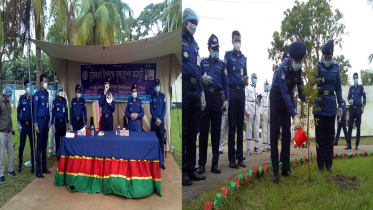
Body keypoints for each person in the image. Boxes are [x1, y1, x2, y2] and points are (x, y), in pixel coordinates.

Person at [270, 42, 307, 183]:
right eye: (296, 61)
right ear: (290, 58)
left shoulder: (299, 70)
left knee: (286, 134)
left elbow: (300, 88)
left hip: (286, 101)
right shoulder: (282, 69)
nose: (298, 63)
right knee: (274, 134)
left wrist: (306, 97)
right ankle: (275, 171)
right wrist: (294, 114)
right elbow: (285, 92)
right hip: (276, 98)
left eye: (300, 61)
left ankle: (286, 169)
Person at [197, 34, 229, 175]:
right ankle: (202, 164)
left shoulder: (222, 65)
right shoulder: (203, 63)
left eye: (218, 48)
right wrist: (201, 82)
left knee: (216, 133)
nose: (216, 51)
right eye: (214, 48)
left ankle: (214, 163)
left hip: (217, 99)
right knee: (203, 133)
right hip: (205, 99)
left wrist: (227, 100)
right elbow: (197, 79)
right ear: (209, 48)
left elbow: (226, 84)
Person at [181, 8, 206, 186]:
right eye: (192, 23)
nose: (194, 27)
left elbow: (197, 69)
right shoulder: (178, 40)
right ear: (185, 21)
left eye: (196, 24)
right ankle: (182, 171)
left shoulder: (195, 45)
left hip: (195, 90)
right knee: (184, 132)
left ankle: (191, 168)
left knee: (193, 133)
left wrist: (202, 91)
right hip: (183, 87)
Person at [313, 40, 343, 173]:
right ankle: (320, 165)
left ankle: (328, 164)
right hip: (319, 106)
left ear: (332, 56)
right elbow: (312, 81)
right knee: (320, 136)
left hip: (331, 106)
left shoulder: (336, 68)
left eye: (329, 58)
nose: (327, 60)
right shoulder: (318, 67)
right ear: (323, 57)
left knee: (330, 136)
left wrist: (341, 104)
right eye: (325, 58)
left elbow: (339, 88)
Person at [225, 30, 249, 169]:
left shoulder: (244, 58)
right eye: (236, 40)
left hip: (241, 93)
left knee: (241, 127)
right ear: (232, 41)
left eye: (239, 40)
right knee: (232, 126)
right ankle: (232, 159)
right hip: (232, 91)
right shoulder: (228, 56)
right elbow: (225, 75)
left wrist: (245, 80)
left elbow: (245, 74)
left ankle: (240, 157)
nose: (238, 43)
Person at [34, 74, 52, 178]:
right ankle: (38, 170)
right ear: (41, 82)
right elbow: (35, 110)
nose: (46, 83)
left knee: (44, 146)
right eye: (44, 81)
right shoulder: (37, 94)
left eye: (46, 81)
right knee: (39, 147)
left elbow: (47, 108)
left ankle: (44, 167)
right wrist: (35, 124)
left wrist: (49, 120)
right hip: (40, 122)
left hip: (46, 121)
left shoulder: (47, 94)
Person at [17, 80, 35, 173]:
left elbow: (34, 112)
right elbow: (18, 111)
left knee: (32, 146)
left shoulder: (33, 98)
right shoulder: (21, 98)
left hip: (31, 125)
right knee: (21, 146)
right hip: (23, 125)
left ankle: (33, 165)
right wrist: (18, 122)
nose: (29, 88)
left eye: (30, 87)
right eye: (28, 86)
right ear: (24, 87)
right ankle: (20, 164)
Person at [0, 86, 17, 183]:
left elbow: (9, 116)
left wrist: (12, 128)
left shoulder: (8, 103)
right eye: (9, 94)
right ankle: (1, 174)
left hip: (9, 131)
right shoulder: (0, 102)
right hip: (2, 132)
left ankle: (10, 170)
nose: (10, 96)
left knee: (11, 151)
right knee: (1, 154)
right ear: (5, 94)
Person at [346, 72, 366, 150]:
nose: (355, 79)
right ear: (353, 79)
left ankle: (357, 144)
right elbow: (348, 97)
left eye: (356, 78)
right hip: (352, 109)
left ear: (358, 78)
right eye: (354, 78)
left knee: (358, 126)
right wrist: (349, 101)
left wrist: (363, 106)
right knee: (350, 126)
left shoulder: (361, 87)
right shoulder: (351, 88)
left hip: (358, 109)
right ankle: (349, 144)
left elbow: (364, 97)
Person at [150, 79, 166, 169]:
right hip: (154, 121)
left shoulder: (163, 96)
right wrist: (156, 119)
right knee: (153, 141)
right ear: (154, 86)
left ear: (160, 86)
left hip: (161, 121)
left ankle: (162, 161)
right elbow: (151, 109)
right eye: (156, 85)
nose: (157, 87)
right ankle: (153, 160)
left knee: (160, 140)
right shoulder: (152, 97)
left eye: (158, 85)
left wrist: (160, 119)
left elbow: (164, 109)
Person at [51, 85, 69, 161]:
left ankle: (63, 156)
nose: (61, 92)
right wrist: (52, 124)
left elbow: (66, 112)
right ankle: (58, 158)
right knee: (57, 141)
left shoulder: (64, 100)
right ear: (57, 92)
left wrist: (67, 122)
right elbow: (53, 113)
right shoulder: (55, 101)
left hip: (63, 123)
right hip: (57, 123)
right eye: (60, 91)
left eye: (62, 91)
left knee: (63, 140)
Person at [245, 73, 261, 155]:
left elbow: (259, 101)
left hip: (256, 108)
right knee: (249, 128)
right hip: (250, 107)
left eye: (256, 77)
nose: (255, 79)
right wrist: (245, 110)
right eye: (254, 77)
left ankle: (256, 146)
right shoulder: (247, 87)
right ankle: (248, 148)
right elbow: (245, 98)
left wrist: (259, 99)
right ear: (251, 78)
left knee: (257, 128)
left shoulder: (258, 89)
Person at [260, 80, 271, 152]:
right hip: (264, 109)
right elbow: (260, 104)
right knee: (264, 128)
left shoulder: (270, 93)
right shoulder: (262, 94)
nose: (267, 85)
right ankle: (264, 145)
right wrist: (261, 114)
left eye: (268, 84)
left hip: (270, 110)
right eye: (266, 84)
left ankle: (269, 144)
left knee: (269, 128)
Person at [48, 82, 57, 157]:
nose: (56, 91)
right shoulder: (50, 98)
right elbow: (49, 109)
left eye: (56, 89)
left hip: (57, 119)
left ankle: (56, 149)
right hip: (51, 119)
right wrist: (49, 120)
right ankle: (50, 150)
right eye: (55, 89)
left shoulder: (59, 98)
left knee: (56, 134)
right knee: (51, 135)